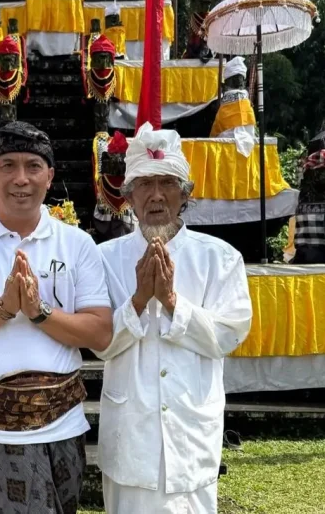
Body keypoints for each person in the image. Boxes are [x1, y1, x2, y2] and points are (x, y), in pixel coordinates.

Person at [0, 121, 113, 514]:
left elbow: (99, 333)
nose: (21, 178)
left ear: (50, 176)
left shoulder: (77, 244)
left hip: (59, 429)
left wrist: (39, 313)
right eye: (8, 165)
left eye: (33, 165)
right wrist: (2, 311)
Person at [95, 123, 253, 514]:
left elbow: (227, 335)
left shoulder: (219, 257)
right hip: (129, 434)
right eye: (144, 185)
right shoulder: (105, 258)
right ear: (128, 196)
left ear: (186, 193)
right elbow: (99, 344)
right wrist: (137, 301)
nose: (155, 196)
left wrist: (170, 301)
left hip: (190, 433)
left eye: (166, 183)